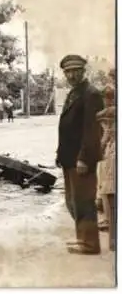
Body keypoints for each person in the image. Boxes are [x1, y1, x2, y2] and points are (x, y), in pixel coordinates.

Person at [55, 54, 104, 255]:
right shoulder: (74, 93)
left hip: (81, 159)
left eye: (75, 71)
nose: (71, 75)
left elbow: (92, 130)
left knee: (84, 201)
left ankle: (90, 244)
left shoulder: (91, 94)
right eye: (68, 72)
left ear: (83, 72)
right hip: (70, 158)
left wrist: (84, 157)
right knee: (73, 201)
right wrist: (60, 153)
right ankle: (82, 238)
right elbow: (67, 127)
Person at [96, 71, 116, 251]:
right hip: (110, 148)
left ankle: (110, 222)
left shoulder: (110, 111)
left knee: (107, 188)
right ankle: (108, 220)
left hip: (112, 150)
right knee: (106, 187)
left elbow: (107, 134)